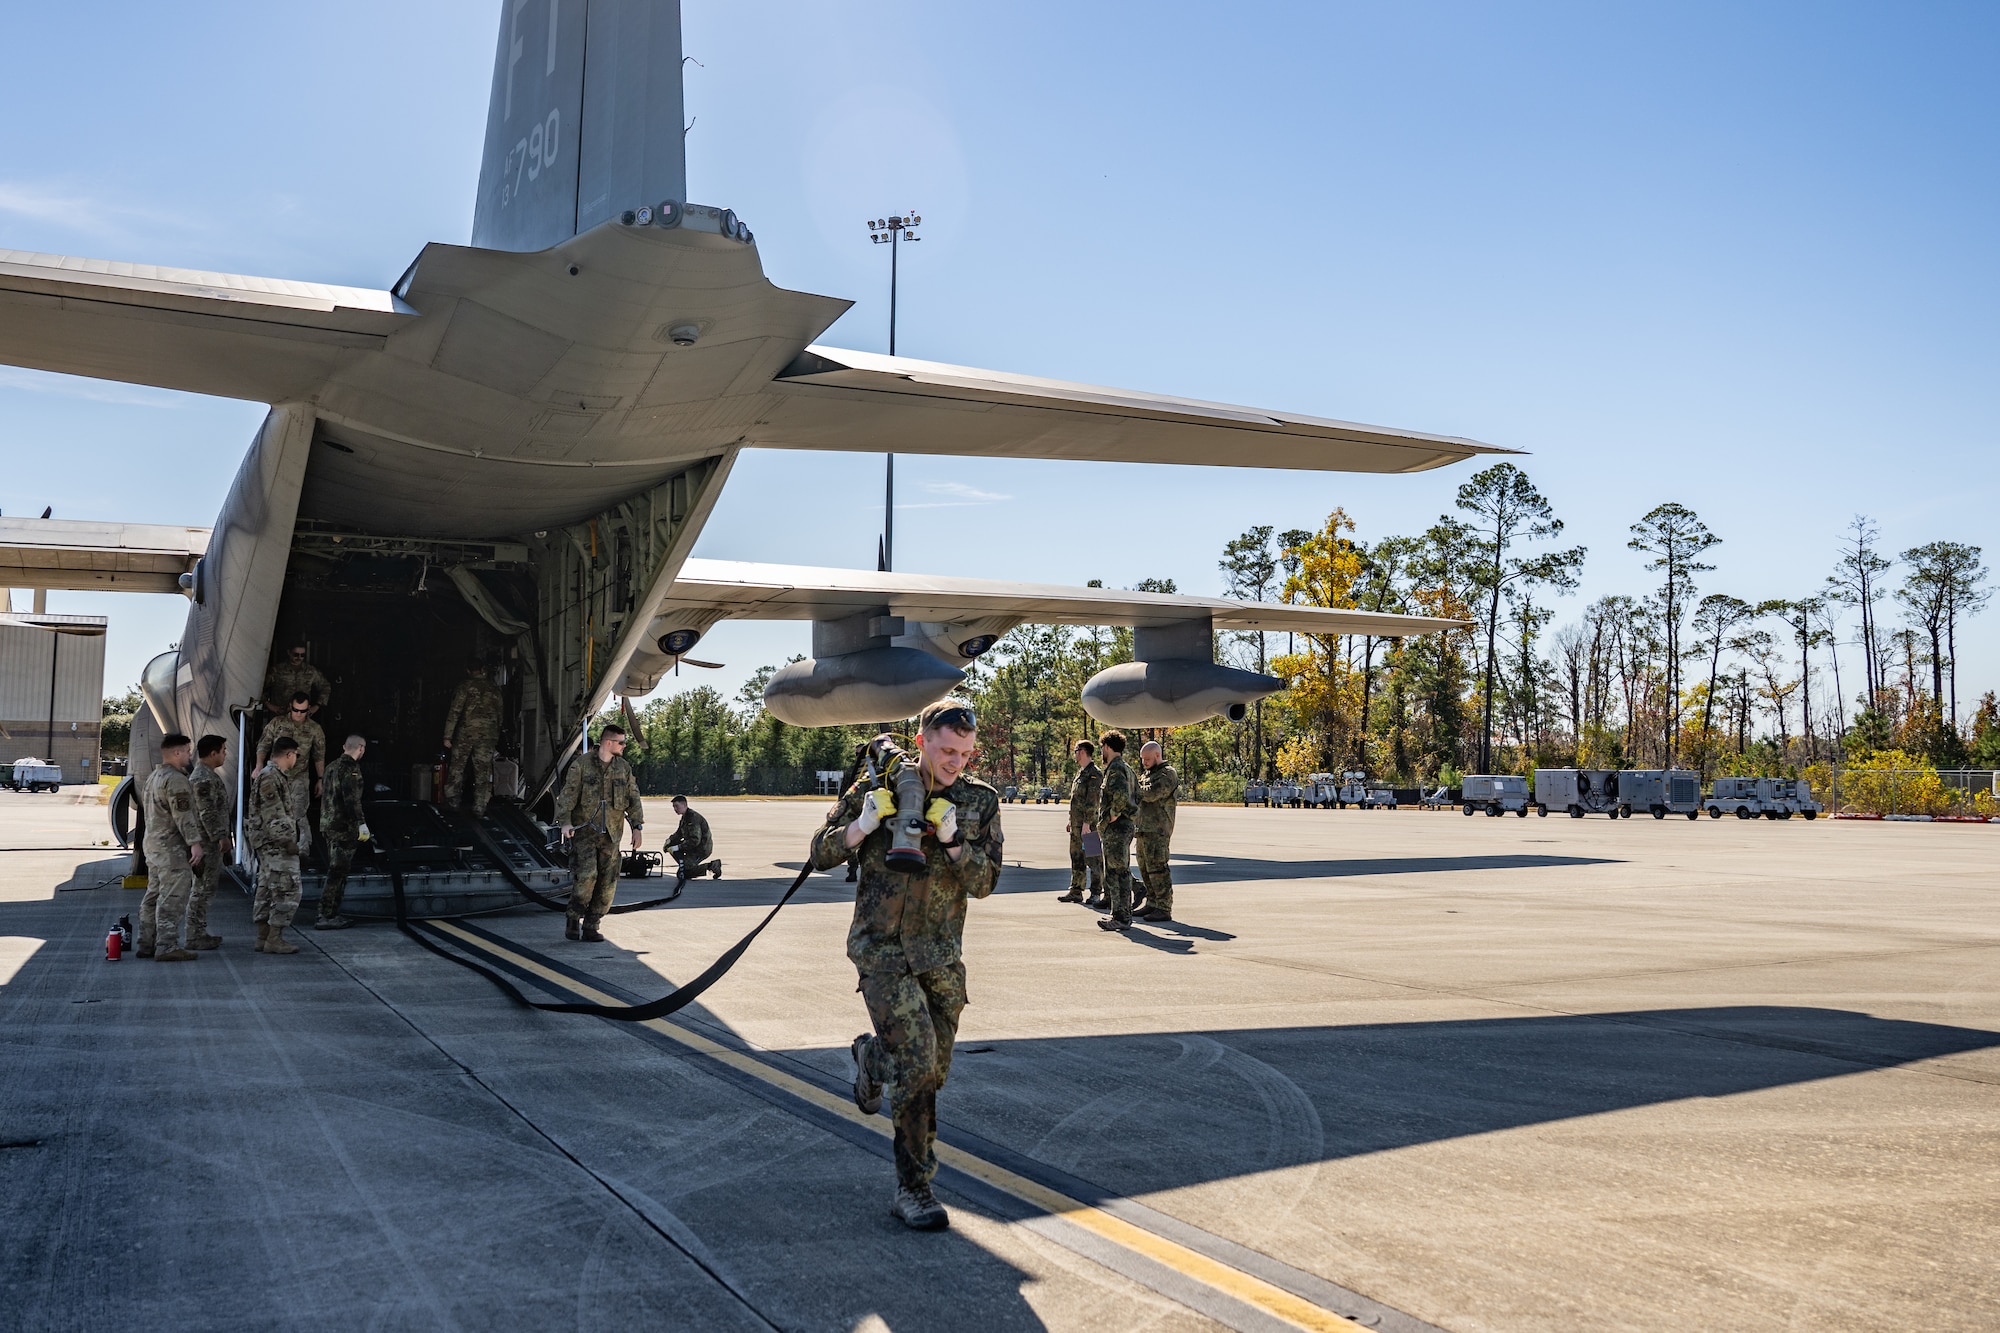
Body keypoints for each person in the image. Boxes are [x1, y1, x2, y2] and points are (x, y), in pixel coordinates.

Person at [808, 700, 1003, 1232]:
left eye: (965, 753)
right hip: (882, 951)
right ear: (921, 742)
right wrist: (863, 825)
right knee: (917, 1066)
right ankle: (914, 1188)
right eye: (946, 750)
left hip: (940, 957)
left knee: (932, 1072)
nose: (956, 762)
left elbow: (985, 883)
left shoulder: (979, 801)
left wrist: (954, 841)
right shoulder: (877, 788)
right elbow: (818, 854)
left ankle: (872, 1060)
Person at [555, 724, 644, 942]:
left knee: (608, 882)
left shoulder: (623, 767)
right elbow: (567, 795)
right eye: (621, 742)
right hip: (584, 833)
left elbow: (633, 797)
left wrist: (637, 827)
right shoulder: (581, 765)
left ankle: (592, 925)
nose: (624, 746)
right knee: (587, 877)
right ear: (609, 743)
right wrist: (564, 822)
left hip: (611, 835)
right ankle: (573, 918)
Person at [136, 733, 206, 961]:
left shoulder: (154, 776)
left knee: (153, 895)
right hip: (171, 849)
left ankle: (146, 942)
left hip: (154, 846)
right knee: (172, 896)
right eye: (187, 751)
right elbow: (183, 815)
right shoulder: (176, 780)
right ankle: (166, 946)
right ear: (177, 753)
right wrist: (195, 843)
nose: (189, 755)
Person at [249, 737, 303, 955]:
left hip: (267, 844)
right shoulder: (271, 777)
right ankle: (274, 938)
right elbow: (274, 815)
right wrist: (289, 842)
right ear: (289, 754)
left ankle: (263, 937)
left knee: (266, 888)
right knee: (288, 888)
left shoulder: (271, 776)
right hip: (276, 844)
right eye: (296, 755)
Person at [257, 692, 325, 852]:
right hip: (276, 775)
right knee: (273, 810)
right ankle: (276, 846)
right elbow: (263, 744)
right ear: (290, 707)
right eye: (296, 710)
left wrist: (320, 778)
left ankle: (302, 850)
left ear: (309, 709)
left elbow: (319, 755)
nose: (299, 714)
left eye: (303, 711)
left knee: (299, 812)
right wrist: (259, 766)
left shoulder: (314, 729)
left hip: (299, 776)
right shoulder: (277, 723)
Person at [183, 734, 233, 950]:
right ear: (213, 753)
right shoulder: (203, 778)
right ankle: (194, 935)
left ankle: (199, 932)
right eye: (223, 750)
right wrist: (221, 836)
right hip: (206, 844)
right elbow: (207, 812)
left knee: (204, 889)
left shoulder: (207, 775)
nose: (225, 754)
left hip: (208, 842)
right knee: (202, 890)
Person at [317, 734, 368, 930]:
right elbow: (351, 800)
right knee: (337, 872)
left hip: (328, 825)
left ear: (344, 746)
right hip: (343, 828)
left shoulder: (331, 767)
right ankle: (326, 914)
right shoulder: (351, 769)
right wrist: (361, 823)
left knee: (336, 869)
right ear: (361, 748)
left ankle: (331, 913)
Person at [441, 661, 503, 817]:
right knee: (483, 771)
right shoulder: (494, 689)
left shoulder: (464, 687)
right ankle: (480, 806)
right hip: (487, 736)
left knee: (457, 768)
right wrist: (495, 734)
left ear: (468, 670)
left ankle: (453, 801)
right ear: (483, 669)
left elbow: (454, 712)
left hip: (465, 734)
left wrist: (447, 736)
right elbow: (500, 714)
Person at [1095, 731, 1138, 932]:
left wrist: (1112, 815)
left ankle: (1121, 916)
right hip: (1123, 825)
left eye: (1102, 747)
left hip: (1117, 827)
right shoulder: (1127, 769)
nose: (1101, 752)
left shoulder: (1116, 770)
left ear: (1108, 747)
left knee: (1116, 872)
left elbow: (1120, 796)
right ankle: (1121, 913)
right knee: (1118, 871)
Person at [1134, 740, 1180, 923]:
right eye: (1142, 759)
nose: (1144, 762)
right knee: (1145, 868)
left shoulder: (1167, 774)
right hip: (1144, 829)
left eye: (1147, 759)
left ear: (1157, 756)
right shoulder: (1147, 775)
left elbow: (1151, 794)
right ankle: (1152, 902)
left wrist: (1135, 788)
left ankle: (1163, 906)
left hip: (1158, 829)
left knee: (1158, 869)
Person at [1057, 739, 1103, 905]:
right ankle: (1076, 890)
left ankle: (1096, 892)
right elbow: (1076, 800)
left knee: (1094, 858)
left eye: (1076, 750)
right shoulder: (1080, 773)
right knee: (1076, 857)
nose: (1074, 754)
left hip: (1088, 826)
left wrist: (1087, 823)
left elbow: (1093, 801)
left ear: (1082, 752)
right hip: (1077, 825)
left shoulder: (1094, 774)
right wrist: (1071, 820)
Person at [263, 640, 331, 717]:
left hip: (302, 717)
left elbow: (325, 686)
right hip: (280, 716)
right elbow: (259, 688)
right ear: (289, 652)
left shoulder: (311, 671)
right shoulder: (277, 670)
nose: (299, 657)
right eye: (296, 654)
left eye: (302, 655)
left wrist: (317, 705)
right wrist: (268, 705)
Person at [666, 796, 721, 886]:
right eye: (673, 807)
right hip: (692, 847)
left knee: (685, 873)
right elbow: (679, 833)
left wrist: (678, 847)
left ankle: (712, 866)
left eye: (676, 806)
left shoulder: (692, 818)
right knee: (672, 846)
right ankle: (685, 864)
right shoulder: (685, 817)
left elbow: (695, 840)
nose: (675, 809)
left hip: (701, 848)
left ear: (684, 805)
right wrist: (669, 841)